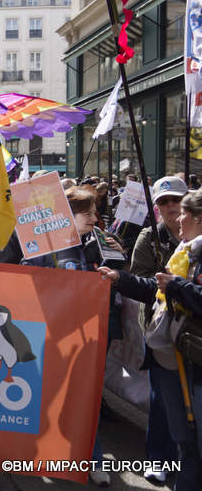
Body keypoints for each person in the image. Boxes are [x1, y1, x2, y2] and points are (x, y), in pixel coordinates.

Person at [99, 189, 202, 491]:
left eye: (182, 210)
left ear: (197, 218)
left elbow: (177, 290)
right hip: (169, 356)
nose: (174, 216)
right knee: (181, 435)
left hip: (195, 363)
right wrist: (120, 279)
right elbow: (155, 290)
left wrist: (180, 287)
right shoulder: (183, 251)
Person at [23, 186, 124, 487]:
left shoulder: (99, 242)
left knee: (86, 399)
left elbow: (119, 278)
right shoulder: (45, 247)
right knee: (50, 399)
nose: (95, 217)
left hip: (89, 338)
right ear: (67, 215)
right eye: (88, 212)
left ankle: (92, 458)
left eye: (95, 211)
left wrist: (116, 262)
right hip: (52, 337)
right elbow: (27, 282)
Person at [128, 176, 187, 485]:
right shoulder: (149, 238)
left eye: (175, 199)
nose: (171, 206)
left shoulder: (197, 235)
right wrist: (166, 281)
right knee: (162, 398)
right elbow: (138, 282)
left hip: (194, 330)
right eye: (163, 202)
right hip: (161, 330)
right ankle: (158, 459)